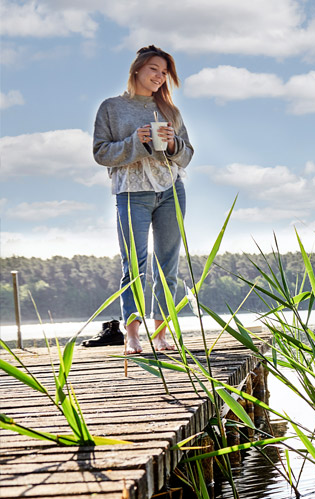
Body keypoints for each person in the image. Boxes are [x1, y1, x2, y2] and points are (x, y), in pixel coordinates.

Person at [93, 45, 194, 355]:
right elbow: (101, 153)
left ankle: (162, 333)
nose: (159, 77)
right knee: (134, 265)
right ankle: (133, 334)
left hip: (171, 191)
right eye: (154, 69)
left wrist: (174, 143)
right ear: (137, 69)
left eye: (164, 73)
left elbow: (187, 155)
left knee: (168, 265)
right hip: (130, 192)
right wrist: (136, 142)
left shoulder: (170, 112)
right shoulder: (111, 108)